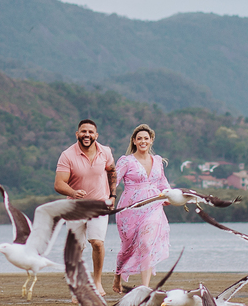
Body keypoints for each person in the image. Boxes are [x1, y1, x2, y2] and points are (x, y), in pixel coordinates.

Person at [55, 118, 117, 295]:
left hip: (99, 205)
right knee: (77, 248)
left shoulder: (105, 152)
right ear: (77, 134)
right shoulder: (67, 155)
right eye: (83, 131)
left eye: (90, 132)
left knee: (97, 243)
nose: (87, 135)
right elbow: (59, 183)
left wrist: (112, 196)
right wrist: (73, 192)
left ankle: (97, 282)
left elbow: (111, 171)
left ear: (96, 135)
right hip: (75, 208)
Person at [111, 123, 171, 293]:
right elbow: (113, 182)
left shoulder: (158, 161)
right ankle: (117, 276)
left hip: (153, 206)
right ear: (134, 141)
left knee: (146, 243)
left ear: (151, 140)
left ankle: (145, 288)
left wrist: (169, 196)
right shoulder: (126, 161)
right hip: (130, 209)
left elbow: (162, 183)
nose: (143, 141)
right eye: (139, 138)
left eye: (146, 138)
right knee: (127, 248)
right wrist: (108, 198)